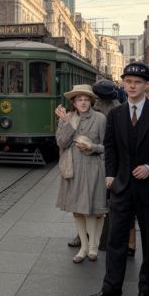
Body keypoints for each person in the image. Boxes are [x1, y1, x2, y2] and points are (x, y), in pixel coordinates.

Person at [89, 62, 149, 296]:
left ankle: (146, 290)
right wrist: (110, 174)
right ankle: (111, 288)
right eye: (128, 82)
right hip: (122, 187)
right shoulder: (115, 114)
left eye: (137, 82)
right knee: (116, 241)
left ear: (146, 85)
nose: (132, 86)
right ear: (123, 84)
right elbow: (110, 147)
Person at [55, 84, 108, 263]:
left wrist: (92, 147)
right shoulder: (67, 117)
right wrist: (67, 123)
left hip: (93, 168)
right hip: (73, 170)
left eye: (86, 99)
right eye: (79, 100)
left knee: (91, 210)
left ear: (92, 101)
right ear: (73, 102)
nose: (83, 103)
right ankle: (84, 247)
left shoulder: (100, 119)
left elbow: (107, 147)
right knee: (77, 211)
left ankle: (93, 246)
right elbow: (62, 143)